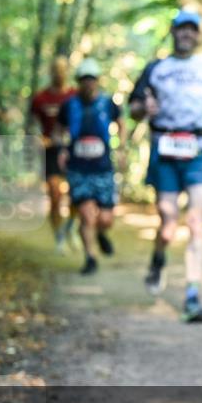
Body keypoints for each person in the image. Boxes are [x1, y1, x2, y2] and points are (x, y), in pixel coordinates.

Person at [129, 9, 202, 323]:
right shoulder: (155, 69)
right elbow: (133, 109)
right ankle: (158, 259)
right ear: (173, 32)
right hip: (165, 150)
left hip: (199, 150)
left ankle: (192, 296)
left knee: (196, 221)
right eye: (182, 28)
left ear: (198, 35)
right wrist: (144, 108)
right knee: (168, 222)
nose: (187, 34)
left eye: (192, 29)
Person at [57, 58, 124, 275]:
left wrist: (121, 148)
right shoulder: (69, 105)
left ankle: (101, 233)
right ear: (78, 81)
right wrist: (62, 149)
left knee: (105, 219)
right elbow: (59, 130)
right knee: (86, 214)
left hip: (103, 168)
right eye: (84, 79)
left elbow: (121, 123)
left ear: (97, 80)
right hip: (78, 169)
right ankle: (91, 258)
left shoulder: (107, 104)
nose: (88, 82)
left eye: (91, 78)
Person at [29, 57, 77, 252]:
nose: (59, 73)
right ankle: (59, 237)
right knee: (55, 194)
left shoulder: (75, 96)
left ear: (68, 71)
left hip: (73, 150)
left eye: (63, 69)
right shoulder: (40, 98)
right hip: (50, 151)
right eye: (56, 69)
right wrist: (38, 139)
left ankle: (70, 227)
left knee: (78, 194)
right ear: (50, 72)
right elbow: (32, 126)